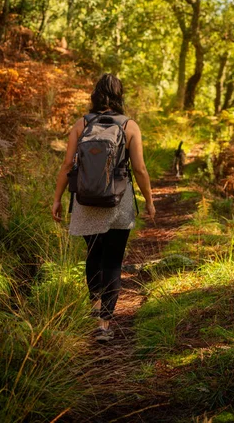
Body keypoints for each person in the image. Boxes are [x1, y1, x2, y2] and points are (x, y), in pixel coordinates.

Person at [52, 73, 156, 341]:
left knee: (93, 255)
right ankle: (104, 325)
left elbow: (66, 166)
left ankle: (95, 307)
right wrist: (149, 201)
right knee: (112, 260)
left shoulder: (81, 124)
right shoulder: (130, 126)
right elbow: (140, 169)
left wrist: (57, 199)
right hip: (119, 202)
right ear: (120, 95)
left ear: (95, 94)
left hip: (85, 200)